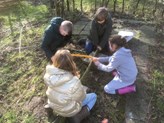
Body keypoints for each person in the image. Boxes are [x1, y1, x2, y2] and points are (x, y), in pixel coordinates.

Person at [44, 49, 97, 123]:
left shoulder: (48, 75)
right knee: (93, 96)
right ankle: (78, 117)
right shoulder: (74, 81)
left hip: (53, 104)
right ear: (71, 63)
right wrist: (82, 91)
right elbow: (81, 98)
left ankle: (49, 107)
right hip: (68, 110)